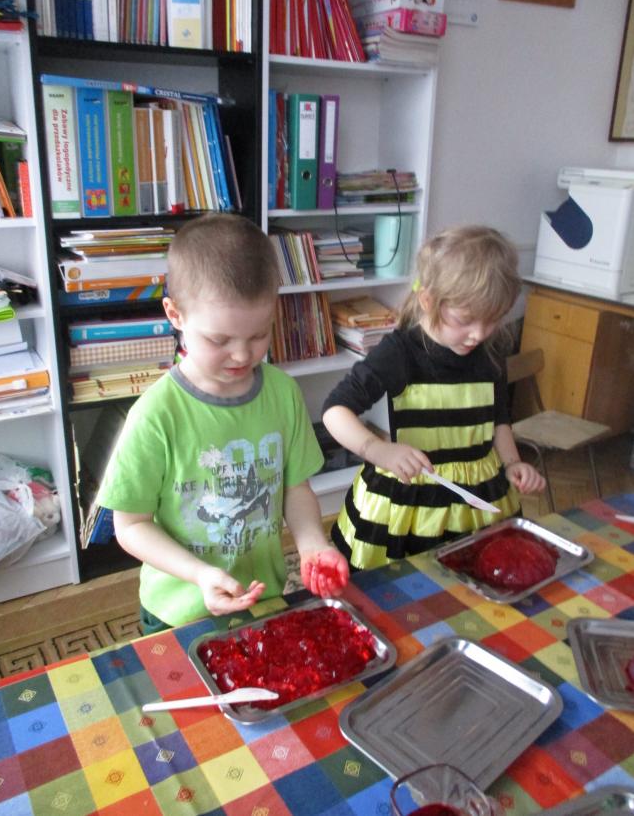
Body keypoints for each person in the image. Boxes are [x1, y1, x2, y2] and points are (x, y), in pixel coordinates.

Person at [97, 213, 348, 633]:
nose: (242, 355)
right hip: (181, 609)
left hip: (262, 595)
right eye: (219, 340)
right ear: (175, 314)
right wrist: (200, 575)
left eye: (259, 335)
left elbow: (295, 489)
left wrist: (312, 545)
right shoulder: (156, 414)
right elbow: (131, 526)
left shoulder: (283, 393)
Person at [322, 225, 546, 571]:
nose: (479, 334)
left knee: (473, 575)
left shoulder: (490, 351)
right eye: (465, 320)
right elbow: (335, 411)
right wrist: (378, 450)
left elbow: (498, 417)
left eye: (492, 321)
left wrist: (512, 462)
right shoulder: (400, 352)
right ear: (428, 301)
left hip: (478, 496)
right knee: (402, 583)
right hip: (410, 500)